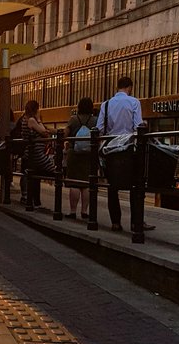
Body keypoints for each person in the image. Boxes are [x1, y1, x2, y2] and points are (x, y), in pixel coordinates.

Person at [96, 76, 154, 234]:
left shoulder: (106, 104)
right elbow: (138, 126)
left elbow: (99, 128)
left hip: (111, 150)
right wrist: (144, 126)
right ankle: (136, 223)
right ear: (130, 87)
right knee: (135, 185)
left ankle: (115, 222)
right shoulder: (134, 102)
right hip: (128, 148)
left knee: (112, 187)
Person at [65, 97, 97, 220]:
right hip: (89, 155)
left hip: (74, 154)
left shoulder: (73, 119)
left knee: (74, 183)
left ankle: (73, 211)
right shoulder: (95, 120)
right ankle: (84, 211)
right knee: (86, 184)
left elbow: (66, 134)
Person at [21, 99, 54, 209]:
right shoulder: (31, 120)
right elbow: (43, 132)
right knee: (54, 171)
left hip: (32, 153)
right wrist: (39, 119)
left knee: (35, 177)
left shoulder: (25, 119)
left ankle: (35, 202)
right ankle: (35, 201)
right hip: (36, 154)